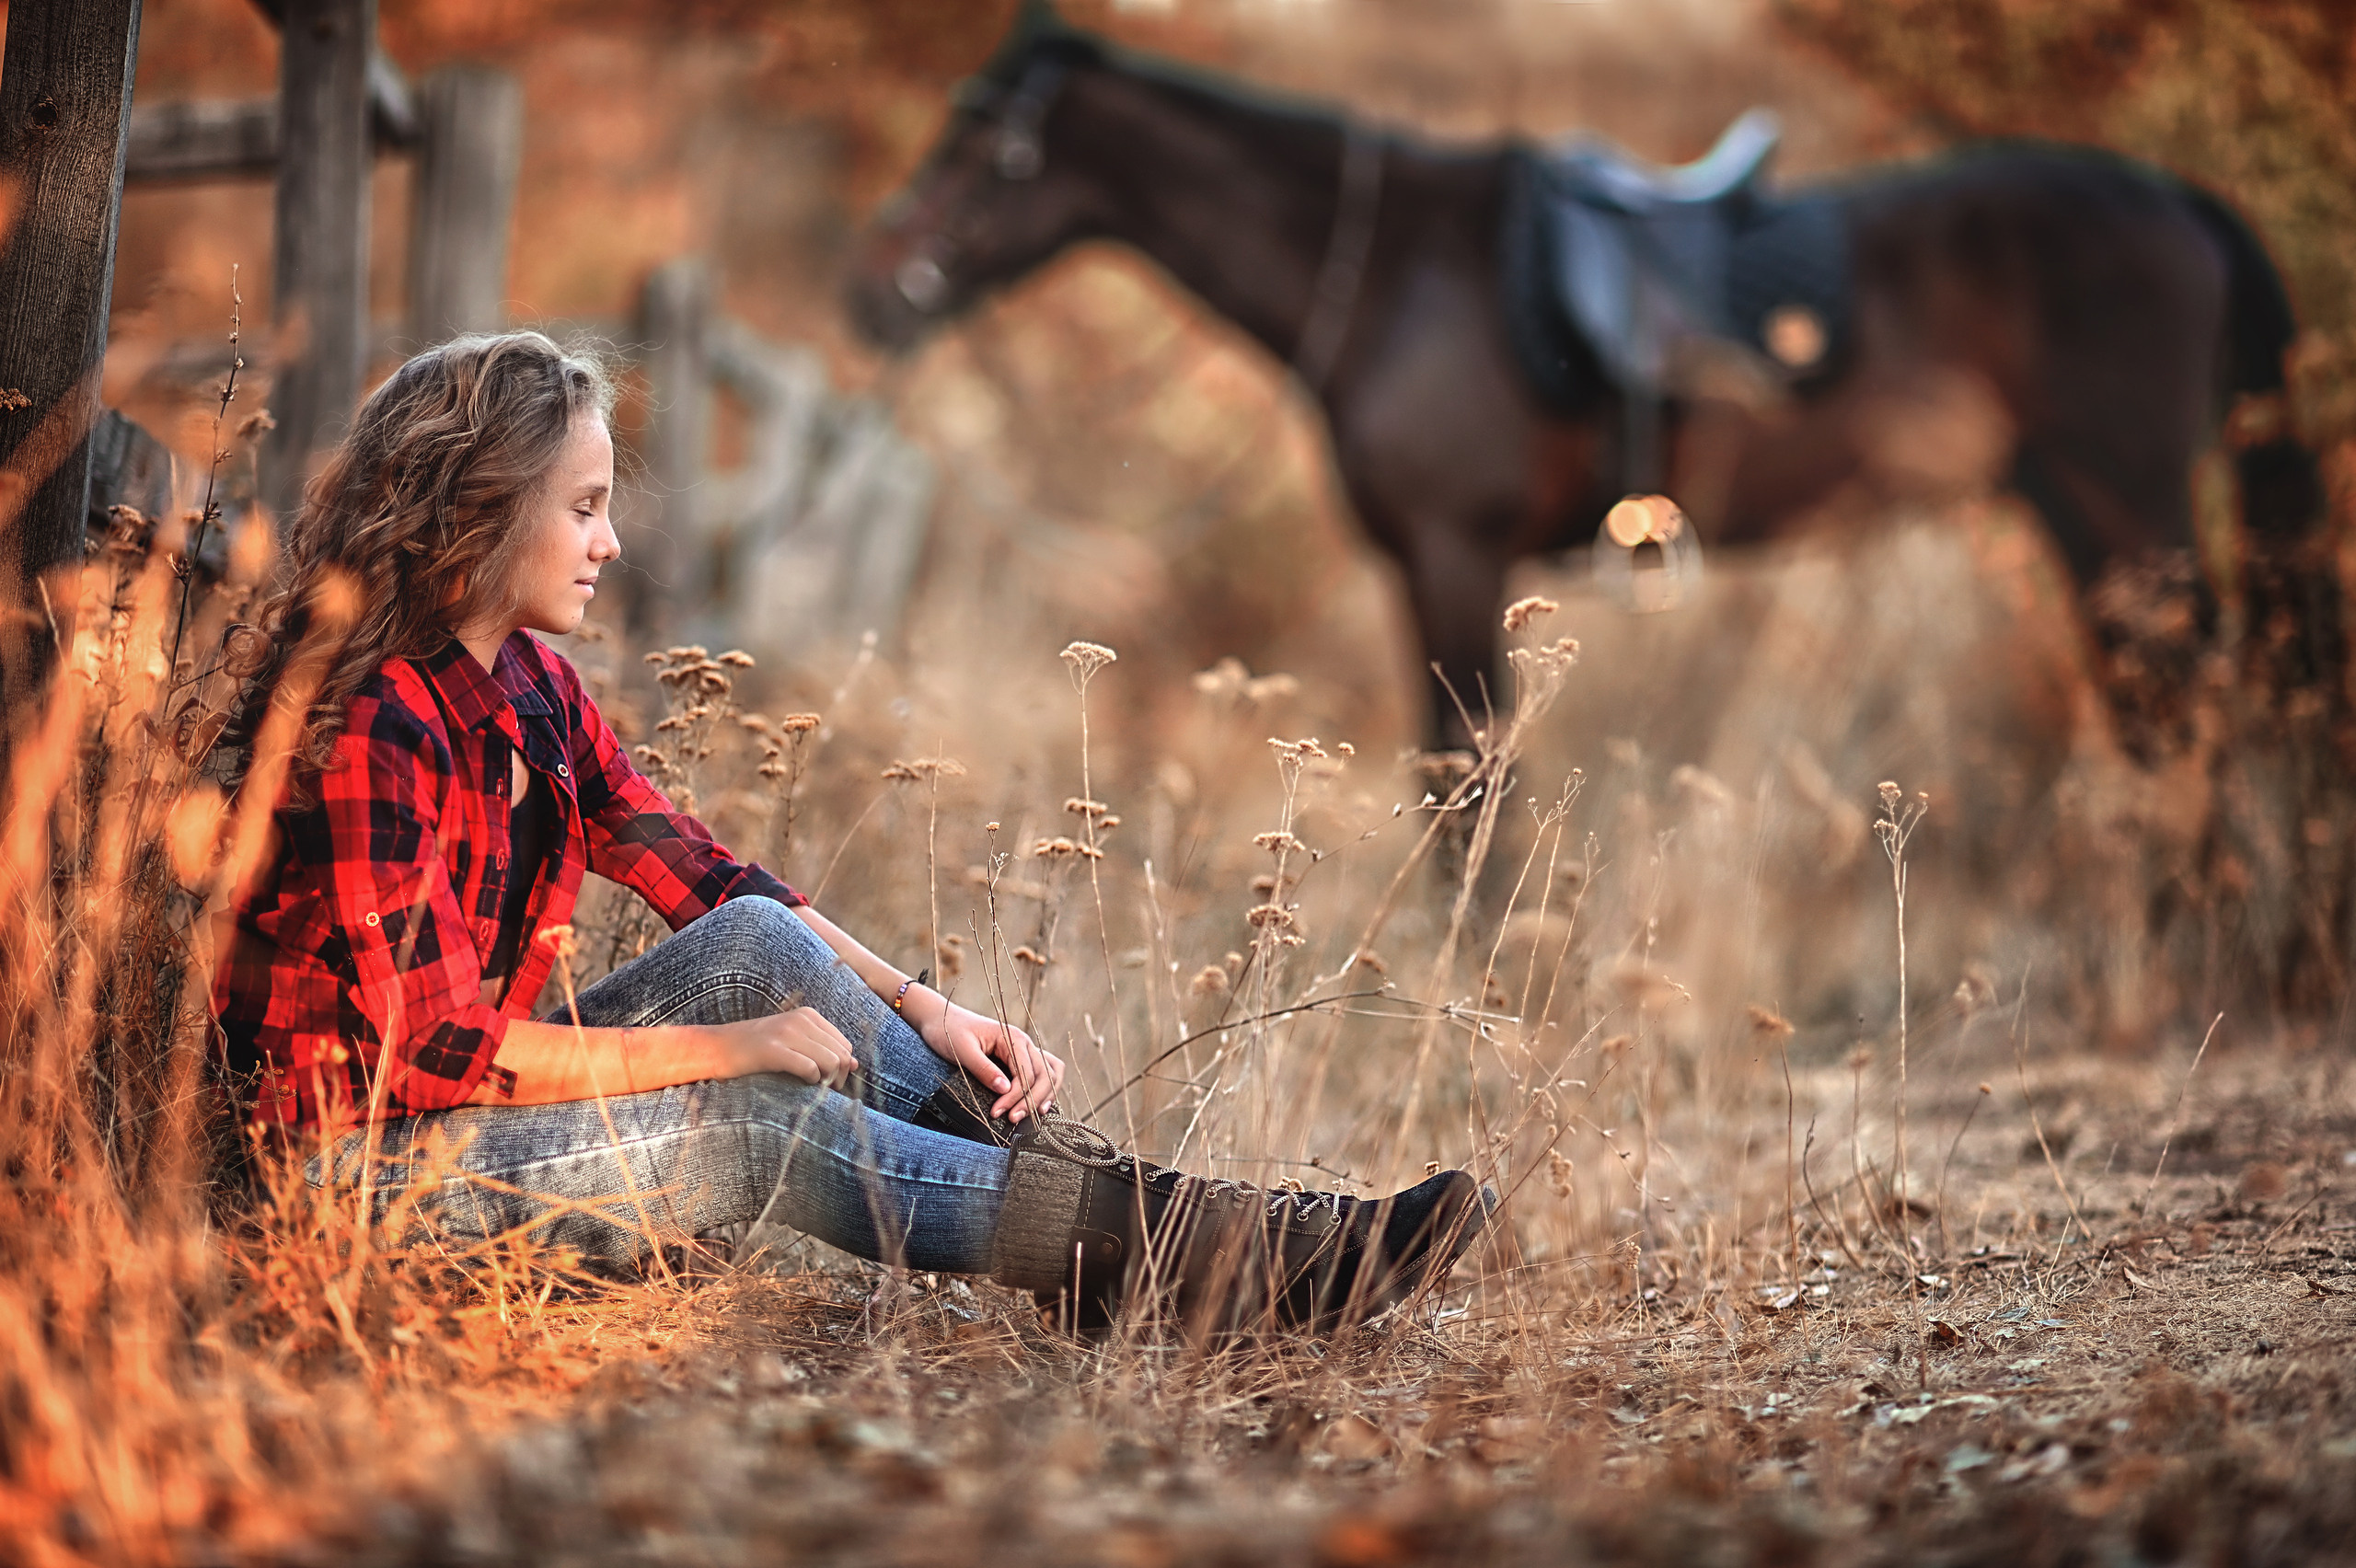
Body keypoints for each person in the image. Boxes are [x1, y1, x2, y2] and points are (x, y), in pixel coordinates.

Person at [212, 330, 1490, 1336]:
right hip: (347, 1184)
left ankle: (1146, 1233)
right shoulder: (377, 722)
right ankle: (1185, 1258)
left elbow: (708, 879)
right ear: (483, 511)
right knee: (752, 1126)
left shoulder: (529, 690)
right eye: (584, 506)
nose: (611, 540)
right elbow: (432, 1056)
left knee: (758, 932)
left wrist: (928, 1007)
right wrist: (729, 1049)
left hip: (455, 1123)